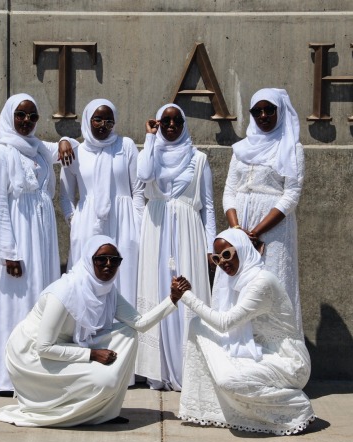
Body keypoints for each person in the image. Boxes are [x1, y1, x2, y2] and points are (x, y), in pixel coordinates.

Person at [0, 235, 181, 427]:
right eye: (101, 259)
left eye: (115, 260)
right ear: (89, 260)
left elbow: (139, 323)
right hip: (30, 355)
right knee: (105, 380)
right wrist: (92, 354)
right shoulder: (64, 291)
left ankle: (106, 413)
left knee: (128, 333)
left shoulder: (108, 291)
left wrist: (172, 299)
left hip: (65, 345)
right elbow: (44, 347)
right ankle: (76, 412)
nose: (108, 265)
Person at [174, 229, 315, 435]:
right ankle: (210, 406)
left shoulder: (261, 282)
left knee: (228, 380)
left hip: (290, 362)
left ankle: (298, 408)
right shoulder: (239, 280)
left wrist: (186, 296)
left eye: (227, 254)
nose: (222, 262)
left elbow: (225, 323)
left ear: (242, 249)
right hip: (261, 351)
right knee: (198, 326)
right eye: (217, 258)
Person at [0, 93, 63, 395]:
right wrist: (8, 253)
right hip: (17, 239)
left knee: (39, 302)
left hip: (41, 239)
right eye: (21, 115)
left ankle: (35, 375)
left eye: (32, 116)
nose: (26, 121)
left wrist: (66, 141)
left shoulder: (38, 149)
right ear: (9, 116)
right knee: (13, 305)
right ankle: (4, 378)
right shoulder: (0, 153)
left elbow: (73, 148)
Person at [135, 103, 216, 391]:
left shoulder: (200, 159)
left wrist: (210, 246)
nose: (170, 126)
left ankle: (189, 366)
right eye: (164, 121)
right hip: (156, 228)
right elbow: (143, 176)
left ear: (184, 125)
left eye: (176, 121)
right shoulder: (150, 154)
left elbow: (207, 206)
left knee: (187, 293)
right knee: (159, 292)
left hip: (188, 231)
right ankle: (159, 370)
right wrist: (149, 138)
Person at [223, 88, 305, 334]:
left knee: (273, 283)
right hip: (240, 227)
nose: (263, 115)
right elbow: (229, 191)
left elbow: (291, 195)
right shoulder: (240, 150)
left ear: (279, 111)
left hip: (273, 230)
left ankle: (276, 355)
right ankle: (243, 349)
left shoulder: (292, 148)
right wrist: (237, 230)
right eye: (257, 111)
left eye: (269, 109)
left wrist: (257, 231)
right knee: (240, 287)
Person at [59, 99, 144, 309]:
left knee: (124, 277)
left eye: (109, 120)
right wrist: (76, 221)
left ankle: (124, 337)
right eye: (98, 119)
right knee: (88, 281)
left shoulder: (126, 146)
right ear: (88, 120)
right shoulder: (75, 151)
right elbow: (65, 195)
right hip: (88, 223)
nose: (103, 125)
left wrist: (138, 223)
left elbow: (138, 190)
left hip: (124, 222)